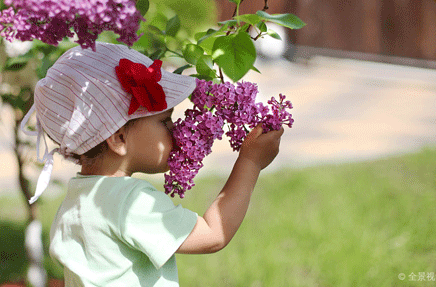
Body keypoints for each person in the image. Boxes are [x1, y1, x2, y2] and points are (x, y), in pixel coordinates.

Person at [21, 42, 284, 286]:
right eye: (165, 121)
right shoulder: (129, 202)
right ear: (119, 138)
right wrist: (250, 162)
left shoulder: (74, 202)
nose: (176, 130)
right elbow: (213, 235)